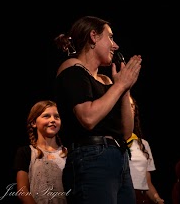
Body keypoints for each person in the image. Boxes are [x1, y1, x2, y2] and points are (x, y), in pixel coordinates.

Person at [53, 15, 142, 204]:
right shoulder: (71, 67)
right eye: (110, 37)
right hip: (91, 157)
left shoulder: (108, 81)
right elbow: (88, 117)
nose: (115, 45)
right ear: (93, 36)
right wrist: (120, 86)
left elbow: (126, 132)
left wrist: (124, 90)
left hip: (119, 157)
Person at [14, 100, 68, 204]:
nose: (53, 120)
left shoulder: (68, 153)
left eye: (57, 117)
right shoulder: (26, 152)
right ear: (34, 123)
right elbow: (22, 190)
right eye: (46, 116)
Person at [127, 96, 164, 204]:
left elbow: (147, 181)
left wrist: (157, 199)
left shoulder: (143, 144)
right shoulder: (110, 143)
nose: (130, 109)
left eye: (132, 106)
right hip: (121, 195)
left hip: (141, 198)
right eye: (126, 105)